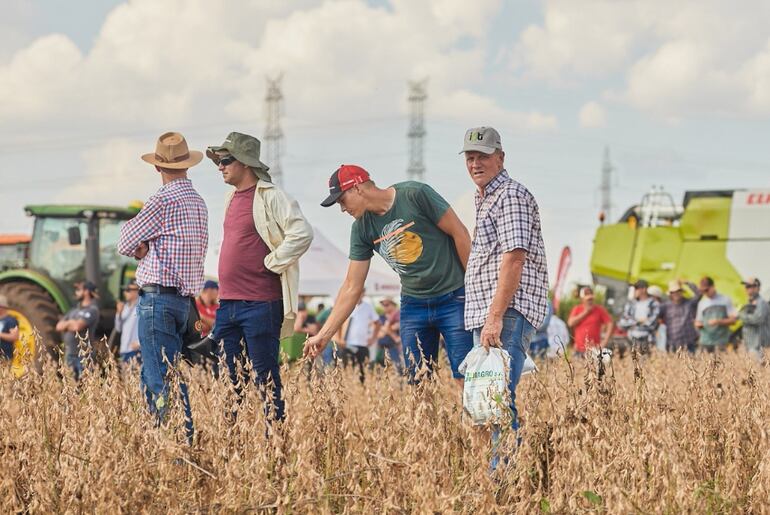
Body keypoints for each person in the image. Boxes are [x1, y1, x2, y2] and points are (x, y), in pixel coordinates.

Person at [304, 164, 473, 385]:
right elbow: (352, 286)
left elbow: (460, 234)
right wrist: (324, 335)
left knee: (467, 377)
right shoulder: (361, 229)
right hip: (414, 305)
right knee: (418, 382)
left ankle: (478, 420)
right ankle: (428, 421)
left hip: (454, 296)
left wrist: (473, 290)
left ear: (357, 188)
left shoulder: (415, 195)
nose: (342, 209)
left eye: (342, 200)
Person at [206, 132, 312, 424]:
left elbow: (302, 233)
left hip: (260, 303)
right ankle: (235, 442)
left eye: (225, 160)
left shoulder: (271, 196)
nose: (220, 166)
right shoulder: (230, 198)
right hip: (228, 303)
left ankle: (274, 440)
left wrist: (273, 262)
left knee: (264, 375)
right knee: (231, 378)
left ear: (245, 163)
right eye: (219, 160)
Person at [461, 126, 549, 468]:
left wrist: (495, 316)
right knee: (487, 402)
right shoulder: (486, 197)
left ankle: (505, 483)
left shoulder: (510, 195)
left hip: (505, 312)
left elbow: (514, 256)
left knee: (496, 400)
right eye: (470, 157)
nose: (475, 163)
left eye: (483, 156)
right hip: (491, 312)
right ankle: (497, 477)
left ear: (501, 157)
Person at [117, 131, 208, 443]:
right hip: (183, 302)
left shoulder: (161, 199)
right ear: (187, 165)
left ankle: (176, 444)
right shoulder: (198, 202)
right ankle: (165, 438)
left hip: (157, 300)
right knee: (158, 373)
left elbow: (125, 241)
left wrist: (144, 248)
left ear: (157, 167)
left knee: (160, 378)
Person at [56, 281, 100, 379]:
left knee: (85, 385)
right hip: (70, 354)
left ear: (87, 292)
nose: (76, 292)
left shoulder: (92, 310)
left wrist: (67, 324)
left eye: (79, 290)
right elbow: (58, 326)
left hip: (84, 355)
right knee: (71, 386)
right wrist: (71, 323)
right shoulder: (73, 311)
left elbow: (77, 326)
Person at [337, 291, 380, 383]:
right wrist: (340, 339)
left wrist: (373, 339)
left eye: (360, 292)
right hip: (347, 345)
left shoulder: (368, 307)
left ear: (363, 293)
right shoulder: (346, 306)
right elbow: (338, 324)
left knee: (363, 373)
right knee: (346, 372)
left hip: (362, 345)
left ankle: (360, 395)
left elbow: (378, 323)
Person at [567, 286, 614, 357]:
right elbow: (570, 323)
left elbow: (610, 323)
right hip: (578, 350)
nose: (590, 301)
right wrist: (586, 312)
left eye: (591, 299)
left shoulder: (599, 309)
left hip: (594, 350)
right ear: (582, 299)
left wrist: (604, 342)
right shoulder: (577, 309)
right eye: (588, 299)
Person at [695, 276, 736, 353]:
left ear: (713, 287)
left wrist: (718, 322)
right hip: (705, 342)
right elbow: (698, 321)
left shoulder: (725, 300)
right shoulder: (701, 303)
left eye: (707, 290)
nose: (705, 293)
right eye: (703, 291)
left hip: (721, 342)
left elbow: (733, 320)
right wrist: (698, 324)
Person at [618, 279, 660, 355]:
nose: (634, 291)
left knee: (645, 365)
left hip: (647, 341)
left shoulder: (654, 304)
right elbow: (622, 323)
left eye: (636, 288)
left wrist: (632, 323)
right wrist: (639, 321)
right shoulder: (630, 304)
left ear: (644, 289)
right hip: (631, 340)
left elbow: (651, 324)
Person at [660, 280, 700, 353]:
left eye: (678, 291)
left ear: (682, 292)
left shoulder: (689, 303)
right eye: (673, 292)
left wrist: (687, 283)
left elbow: (699, 294)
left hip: (689, 342)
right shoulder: (665, 306)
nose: (676, 294)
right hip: (672, 343)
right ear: (670, 294)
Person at [736, 277, 769, 362]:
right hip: (751, 345)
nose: (747, 288)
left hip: (759, 346)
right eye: (747, 286)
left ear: (757, 288)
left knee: (758, 372)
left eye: (750, 286)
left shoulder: (761, 302)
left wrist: (741, 315)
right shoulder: (748, 302)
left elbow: (757, 319)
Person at [115, 280, 141, 364]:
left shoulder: (141, 307)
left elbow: (148, 327)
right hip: (124, 350)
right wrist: (118, 313)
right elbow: (118, 329)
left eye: (128, 290)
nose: (125, 292)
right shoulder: (125, 307)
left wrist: (139, 343)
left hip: (136, 350)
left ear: (137, 291)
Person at [377, 297, 404, 373]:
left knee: (398, 369)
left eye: (387, 304)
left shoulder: (399, 316)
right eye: (383, 304)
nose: (384, 306)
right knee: (380, 371)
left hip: (394, 348)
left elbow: (398, 326)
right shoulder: (381, 317)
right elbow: (378, 334)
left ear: (393, 305)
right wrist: (389, 329)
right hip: (381, 348)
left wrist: (385, 328)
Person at [0, 295, 19, 362]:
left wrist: (0, 334)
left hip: (5, 357)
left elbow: (15, 336)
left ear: (2, 307)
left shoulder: (11, 320)